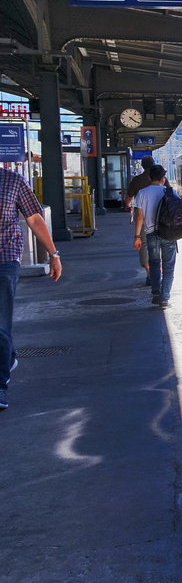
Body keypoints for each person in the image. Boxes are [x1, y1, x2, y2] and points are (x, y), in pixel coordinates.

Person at [0, 167, 62, 410]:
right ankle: (9, 357)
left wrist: (53, 254)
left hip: (4, 259)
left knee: (2, 324)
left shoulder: (13, 181)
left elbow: (35, 218)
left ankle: (1, 385)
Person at [132, 165, 175, 310]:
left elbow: (139, 218)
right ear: (163, 178)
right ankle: (165, 299)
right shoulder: (170, 192)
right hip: (168, 234)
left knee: (155, 263)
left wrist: (137, 236)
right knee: (168, 266)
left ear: (149, 178)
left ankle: (156, 292)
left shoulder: (142, 193)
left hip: (151, 234)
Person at [124, 156, 158, 285]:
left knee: (144, 244)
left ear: (142, 166)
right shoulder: (160, 178)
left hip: (143, 217)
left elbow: (128, 198)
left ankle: (150, 273)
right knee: (159, 244)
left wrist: (129, 205)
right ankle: (158, 272)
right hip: (159, 217)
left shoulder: (137, 180)